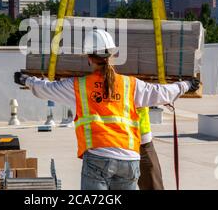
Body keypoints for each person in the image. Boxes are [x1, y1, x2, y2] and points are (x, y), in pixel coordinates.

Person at [14, 29, 200, 190]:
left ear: (88, 58)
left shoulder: (78, 86)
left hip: (98, 157)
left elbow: (46, 89)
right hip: (129, 158)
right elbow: (162, 92)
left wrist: (26, 80)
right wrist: (186, 85)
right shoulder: (130, 84)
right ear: (112, 56)